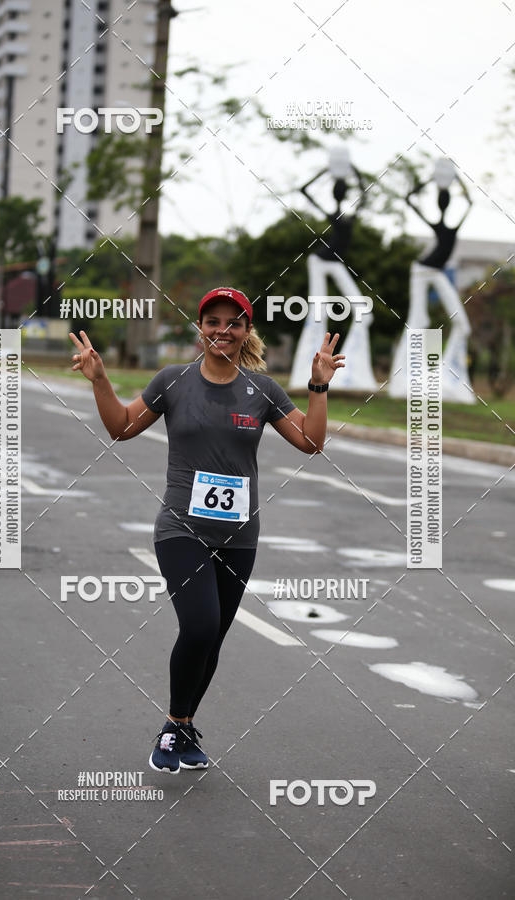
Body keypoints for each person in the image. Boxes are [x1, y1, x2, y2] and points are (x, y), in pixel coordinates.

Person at [69, 287, 345, 774]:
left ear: (245, 333)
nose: (223, 330)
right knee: (197, 626)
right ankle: (174, 728)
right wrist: (100, 380)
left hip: (240, 537)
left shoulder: (262, 390)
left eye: (233, 323)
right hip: (181, 529)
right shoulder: (173, 382)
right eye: (213, 321)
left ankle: (184, 727)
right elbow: (121, 428)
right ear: (201, 328)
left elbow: (310, 442)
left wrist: (318, 387)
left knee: (212, 637)